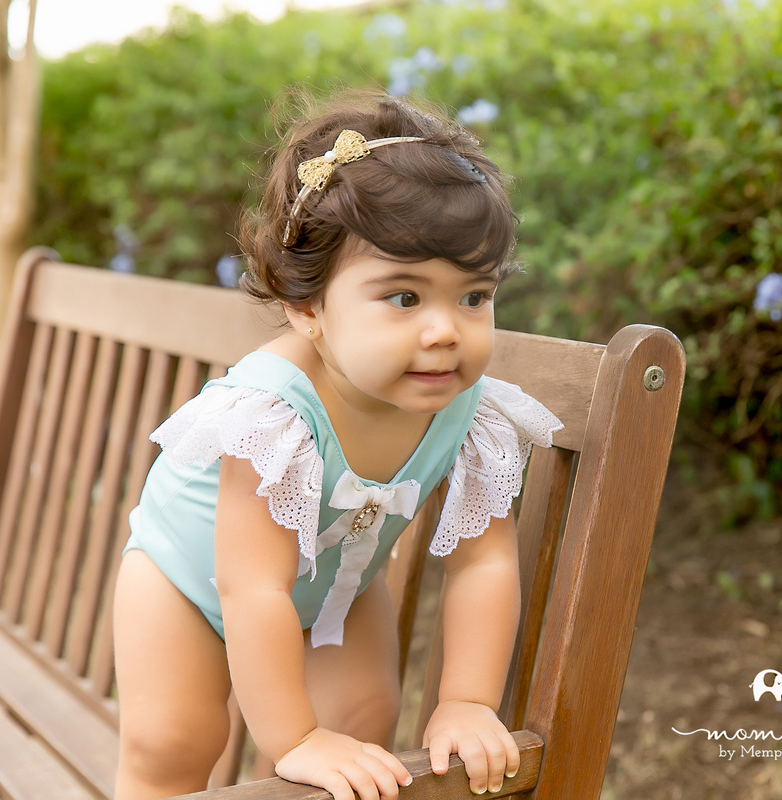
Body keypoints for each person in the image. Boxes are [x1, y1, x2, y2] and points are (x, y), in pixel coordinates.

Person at [112, 91, 562, 800]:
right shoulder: (275, 412)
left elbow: (483, 560)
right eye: (405, 298)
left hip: (334, 588)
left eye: (474, 296)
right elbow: (253, 588)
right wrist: (294, 740)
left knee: (361, 726)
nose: (445, 331)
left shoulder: (467, 411)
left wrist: (466, 700)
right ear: (306, 307)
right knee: (172, 741)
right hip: (188, 584)